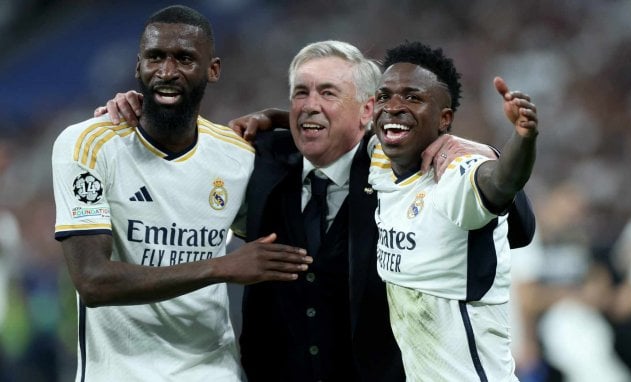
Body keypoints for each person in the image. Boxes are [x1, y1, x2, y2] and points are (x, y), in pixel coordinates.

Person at [97, 40, 535, 381]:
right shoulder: (257, 158)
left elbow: (517, 224)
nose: (309, 104)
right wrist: (135, 114)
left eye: (328, 92)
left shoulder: (400, 167)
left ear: (368, 110)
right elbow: (175, 156)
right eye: (300, 93)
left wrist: (488, 150)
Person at [52, 5, 312, 381]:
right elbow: (93, 281)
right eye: (155, 57)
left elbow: (341, 154)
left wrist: (278, 116)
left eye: (185, 58)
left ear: (213, 69)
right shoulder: (88, 144)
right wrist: (220, 267)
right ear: (137, 65)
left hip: (213, 371)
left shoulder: (237, 154)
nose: (167, 72)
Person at [367, 41, 538, 381]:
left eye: (413, 97)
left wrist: (522, 138)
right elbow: (341, 130)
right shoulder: (380, 161)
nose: (394, 106)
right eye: (385, 96)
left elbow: (499, 183)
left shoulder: (454, 176)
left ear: (444, 119)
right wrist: (278, 118)